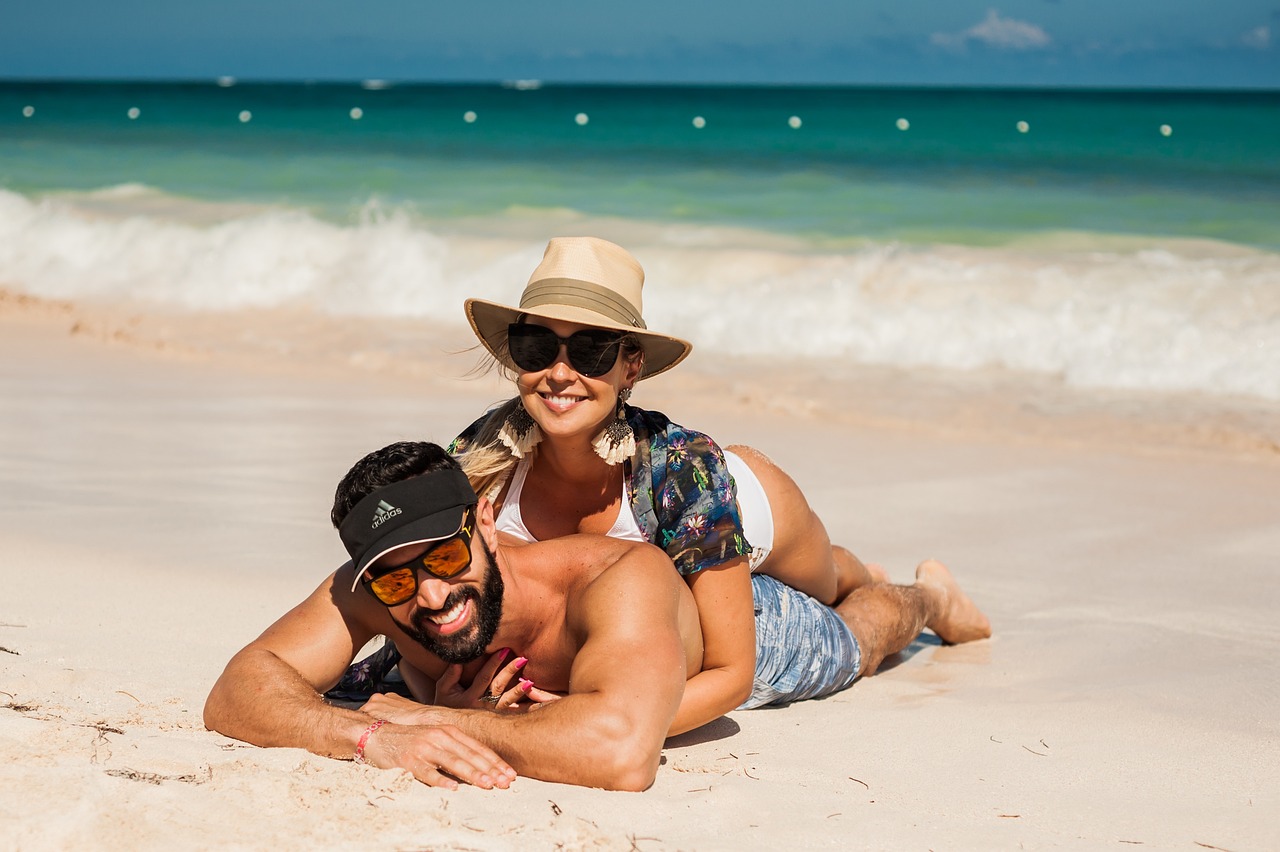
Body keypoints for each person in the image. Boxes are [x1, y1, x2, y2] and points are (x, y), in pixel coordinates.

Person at [371, 235, 981, 733]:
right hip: (684, 555)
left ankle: (931, 598)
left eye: (591, 350)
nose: (559, 373)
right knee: (828, 579)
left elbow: (730, 674)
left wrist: (582, 721)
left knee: (839, 606)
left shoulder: (684, 470)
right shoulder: (479, 458)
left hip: (749, 502)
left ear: (632, 365)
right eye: (536, 346)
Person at [204, 442, 992, 791]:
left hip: (715, 625)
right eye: (397, 582)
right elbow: (238, 688)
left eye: (445, 560)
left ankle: (929, 596)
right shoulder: (384, 585)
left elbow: (621, 753)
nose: (430, 598)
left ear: (484, 522)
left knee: (857, 629)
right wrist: (368, 737)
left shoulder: (616, 575)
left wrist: (430, 723)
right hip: (618, 653)